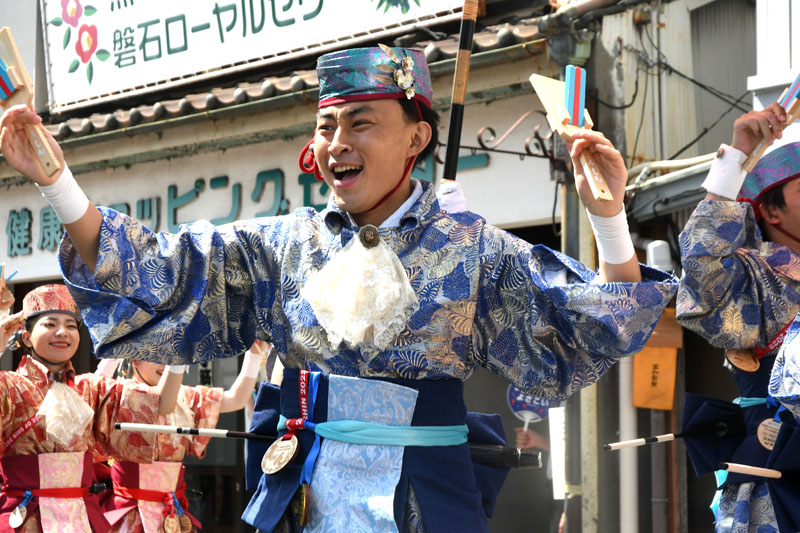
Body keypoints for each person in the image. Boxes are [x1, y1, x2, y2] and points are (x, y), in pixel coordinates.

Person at [1, 45, 677, 532]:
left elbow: (592, 324)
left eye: (360, 123)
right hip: (307, 492)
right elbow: (160, 269)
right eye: (326, 126)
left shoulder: (474, 247)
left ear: (416, 137)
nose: (336, 142)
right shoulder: (281, 244)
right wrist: (57, 184)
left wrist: (608, 218)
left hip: (425, 497)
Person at [677, 103, 800, 531]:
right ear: (772, 211)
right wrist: (735, 158)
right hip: (782, 473)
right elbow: (703, 276)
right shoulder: (756, 274)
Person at [0, 284, 185, 532]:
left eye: (71, 326)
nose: (62, 332)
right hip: (27, 519)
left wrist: (179, 356)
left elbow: (161, 404)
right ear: (26, 337)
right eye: (50, 324)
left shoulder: (91, 388)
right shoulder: (8, 385)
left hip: (80, 518)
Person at [97, 341, 267, 532]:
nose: (165, 362)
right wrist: (114, 352)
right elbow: (92, 392)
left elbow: (236, 399)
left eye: (171, 354)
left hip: (172, 510)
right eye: (155, 354)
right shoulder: (119, 393)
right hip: (129, 510)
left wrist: (254, 355)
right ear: (134, 359)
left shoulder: (185, 396)